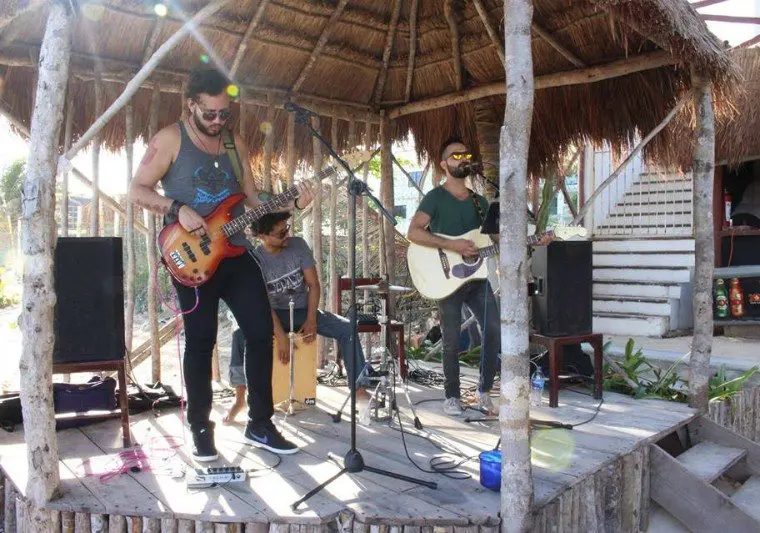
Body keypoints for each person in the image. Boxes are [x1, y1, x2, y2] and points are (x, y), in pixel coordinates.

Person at [129, 66, 314, 460]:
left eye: (223, 114)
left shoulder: (235, 143)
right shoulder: (169, 139)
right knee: (200, 341)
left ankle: (260, 424)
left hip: (234, 252)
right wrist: (175, 208)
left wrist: (291, 204)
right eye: (209, 113)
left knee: (260, 332)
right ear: (191, 104)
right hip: (191, 257)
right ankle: (200, 428)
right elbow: (135, 189)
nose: (217, 121)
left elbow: (249, 201)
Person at [223, 212, 375, 422]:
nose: (287, 235)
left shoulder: (298, 245)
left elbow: (313, 285)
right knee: (239, 336)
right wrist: (281, 336)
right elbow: (263, 303)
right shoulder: (255, 259)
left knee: (347, 328)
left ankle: (359, 389)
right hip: (273, 315)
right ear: (262, 236)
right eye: (280, 233)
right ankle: (239, 398)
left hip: (304, 311)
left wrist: (312, 319)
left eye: (287, 228)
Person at [406, 137, 500, 416]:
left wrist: (528, 240)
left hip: (477, 276)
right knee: (449, 339)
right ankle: (452, 397)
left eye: (465, 154)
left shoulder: (480, 200)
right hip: (445, 276)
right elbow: (413, 232)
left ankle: (483, 392)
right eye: (455, 155)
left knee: (494, 328)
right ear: (443, 164)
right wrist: (452, 245)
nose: (462, 158)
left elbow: (493, 240)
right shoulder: (435, 197)